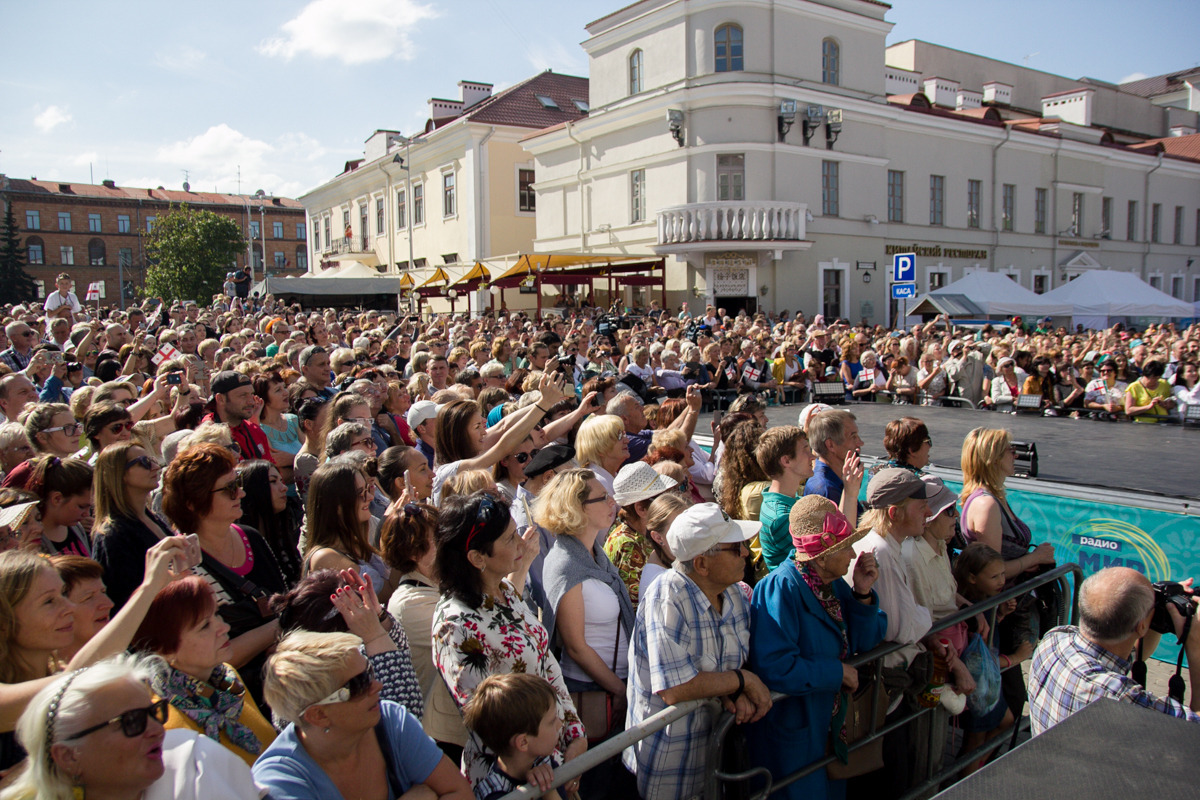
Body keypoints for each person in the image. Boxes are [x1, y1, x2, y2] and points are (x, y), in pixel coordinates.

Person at [431, 492, 586, 789]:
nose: (521, 543)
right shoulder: (454, 625)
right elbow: (484, 716)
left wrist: (573, 732)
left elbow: (545, 662)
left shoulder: (505, 590)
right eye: (508, 539)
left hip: (551, 762)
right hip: (512, 780)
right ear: (477, 558)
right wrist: (535, 763)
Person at [624, 503, 772, 800]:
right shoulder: (666, 598)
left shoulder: (738, 593)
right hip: (672, 766)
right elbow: (675, 688)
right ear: (702, 564)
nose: (746, 552)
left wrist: (735, 689)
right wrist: (743, 681)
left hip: (718, 764)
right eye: (737, 547)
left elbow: (735, 662)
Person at [0, 539, 186, 773]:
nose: (68, 607)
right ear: (5, 622)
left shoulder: (59, 671)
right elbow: (69, 684)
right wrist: (148, 589)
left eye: (62, 594)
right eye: (49, 601)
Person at [746, 495, 886, 800]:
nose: (852, 554)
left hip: (823, 728)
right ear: (821, 557)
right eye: (845, 547)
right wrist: (836, 673)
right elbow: (775, 666)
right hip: (796, 733)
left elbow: (865, 639)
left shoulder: (833, 585)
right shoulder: (780, 588)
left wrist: (862, 593)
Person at [3, 653, 262, 800]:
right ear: (68, 756)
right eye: (132, 722)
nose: (157, 731)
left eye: (153, 713)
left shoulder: (199, 764)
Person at [253, 630, 472, 800]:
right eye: (358, 684)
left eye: (369, 670)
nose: (377, 685)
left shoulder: (392, 721)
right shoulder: (279, 782)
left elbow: (460, 792)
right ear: (318, 715)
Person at [162, 443, 284, 707]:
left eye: (238, 482)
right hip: (238, 700)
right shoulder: (182, 566)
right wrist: (280, 626)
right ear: (193, 502)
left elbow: (279, 600)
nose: (240, 492)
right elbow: (217, 655)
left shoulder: (250, 536)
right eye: (229, 488)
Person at [535, 470, 634, 797]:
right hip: (592, 692)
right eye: (602, 498)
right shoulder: (565, 563)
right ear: (575, 509)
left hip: (610, 688)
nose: (612, 503)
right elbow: (575, 647)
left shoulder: (594, 552)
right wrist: (619, 689)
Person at [1029, 566, 1200, 735]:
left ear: (1081, 604)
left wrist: (1154, 615)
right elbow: (1192, 732)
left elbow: (1126, 655)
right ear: (1141, 626)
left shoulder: (1055, 639)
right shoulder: (1118, 698)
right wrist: (1195, 646)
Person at [131, 576, 276, 766]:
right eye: (205, 626)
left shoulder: (228, 678)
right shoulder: (167, 728)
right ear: (164, 649)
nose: (224, 627)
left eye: (217, 614)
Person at [381, 501, 468, 760]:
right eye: (438, 537)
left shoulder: (439, 583)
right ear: (413, 553)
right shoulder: (409, 604)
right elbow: (474, 632)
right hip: (442, 741)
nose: (448, 541)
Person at [90, 442, 175, 610]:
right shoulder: (113, 535)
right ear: (119, 474)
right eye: (144, 462)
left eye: (152, 459)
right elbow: (125, 600)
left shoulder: (150, 516)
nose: (155, 466)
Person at [303, 460, 398, 602]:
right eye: (360, 493)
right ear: (336, 505)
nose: (370, 497)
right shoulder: (326, 557)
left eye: (368, 489)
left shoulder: (352, 541)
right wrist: (400, 534)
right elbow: (388, 595)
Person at [464, 674, 566, 800]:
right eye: (552, 721)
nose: (559, 724)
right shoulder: (495, 794)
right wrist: (547, 790)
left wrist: (548, 790)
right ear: (523, 742)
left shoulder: (546, 764)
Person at [602, 461, 678, 606]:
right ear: (641, 509)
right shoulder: (628, 545)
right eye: (661, 498)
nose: (667, 502)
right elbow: (636, 606)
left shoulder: (631, 529)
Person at [756, 425, 815, 571]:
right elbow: (822, 559)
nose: (812, 456)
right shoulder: (781, 517)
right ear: (786, 461)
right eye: (805, 449)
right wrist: (850, 490)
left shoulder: (782, 499)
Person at [236, 459, 301, 588]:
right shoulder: (241, 547)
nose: (284, 488)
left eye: (281, 481)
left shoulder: (282, 536)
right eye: (273, 481)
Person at [803, 409, 865, 524]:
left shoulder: (834, 480)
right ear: (830, 445)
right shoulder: (825, 491)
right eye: (853, 436)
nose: (860, 443)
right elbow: (842, 539)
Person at [574, 414, 627, 495]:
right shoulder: (595, 482)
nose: (627, 440)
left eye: (624, 434)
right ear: (599, 447)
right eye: (619, 436)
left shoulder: (610, 475)